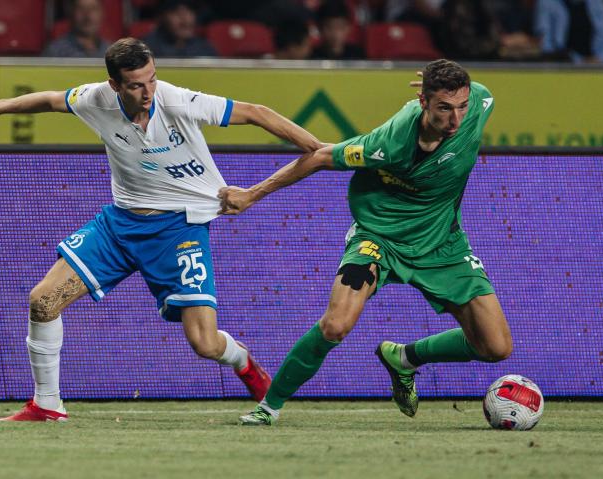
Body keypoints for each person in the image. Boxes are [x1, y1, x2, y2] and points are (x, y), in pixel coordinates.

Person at [0, 37, 322, 421]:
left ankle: (243, 363)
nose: (148, 91)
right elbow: (53, 100)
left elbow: (256, 112)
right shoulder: (95, 99)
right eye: (136, 84)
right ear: (114, 85)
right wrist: (0, 106)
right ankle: (47, 404)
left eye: (152, 79)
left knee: (205, 343)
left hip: (179, 229)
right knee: (43, 301)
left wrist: (319, 149)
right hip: (119, 227)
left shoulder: (178, 101)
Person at [219, 59, 512, 425]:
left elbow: (468, 91)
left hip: (443, 243)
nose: (456, 119)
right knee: (335, 325)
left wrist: (438, 80)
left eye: (461, 106)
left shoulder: (479, 103)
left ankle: (404, 357)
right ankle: (269, 407)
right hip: (378, 239)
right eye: (444, 108)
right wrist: (252, 193)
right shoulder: (388, 142)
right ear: (423, 102)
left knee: (496, 347)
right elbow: (320, 156)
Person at [142, 0, 217, 58]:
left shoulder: (204, 48)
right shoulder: (146, 49)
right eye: (176, 13)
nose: (185, 20)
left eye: (189, 12)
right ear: (161, 17)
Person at [43, 0, 111, 58]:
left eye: (93, 8)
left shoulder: (111, 51)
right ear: (70, 12)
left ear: (102, 13)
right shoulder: (55, 52)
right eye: (81, 8)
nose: (88, 16)